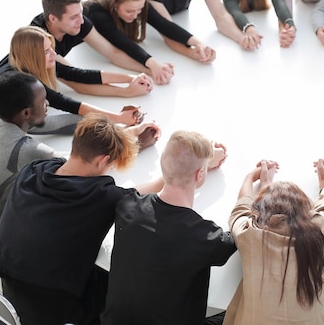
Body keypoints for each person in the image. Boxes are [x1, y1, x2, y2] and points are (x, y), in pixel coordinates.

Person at [0, 114, 164, 325]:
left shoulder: (35, 170)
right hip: (51, 307)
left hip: (8, 286)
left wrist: (126, 135)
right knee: (134, 292)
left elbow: (88, 153)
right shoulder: (101, 197)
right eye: (110, 165)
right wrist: (172, 176)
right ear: (103, 160)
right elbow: (137, 194)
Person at [101, 130, 236, 325]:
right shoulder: (204, 237)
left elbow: (133, 192)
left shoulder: (128, 207)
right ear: (200, 175)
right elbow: (241, 231)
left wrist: (197, 164)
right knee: (235, 312)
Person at [222, 158, 324, 325]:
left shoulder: (249, 234)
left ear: (260, 210)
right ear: (305, 209)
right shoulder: (319, 231)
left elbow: (241, 207)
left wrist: (252, 178)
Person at [0, 26, 147, 127]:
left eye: (51, 48)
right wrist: (118, 118)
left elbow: (76, 74)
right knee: (78, 123)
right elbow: (68, 104)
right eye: (47, 51)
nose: (53, 54)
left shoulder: (19, 58)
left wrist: (130, 78)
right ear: (33, 56)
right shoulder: (22, 82)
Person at [0, 72, 63, 262]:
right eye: (43, 102)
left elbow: (50, 124)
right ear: (26, 113)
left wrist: (111, 121)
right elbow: (82, 162)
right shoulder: (26, 150)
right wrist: (127, 139)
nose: (48, 105)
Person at [27, 0, 175, 85]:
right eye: (73, 17)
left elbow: (113, 53)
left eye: (80, 13)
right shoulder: (41, 42)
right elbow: (77, 79)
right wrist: (129, 85)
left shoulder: (80, 22)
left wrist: (151, 69)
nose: (81, 20)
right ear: (53, 19)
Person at [86, 0, 216, 66]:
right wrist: (153, 63)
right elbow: (123, 44)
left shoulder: (137, 3)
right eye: (130, 11)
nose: (136, 16)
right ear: (115, 5)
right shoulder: (98, 14)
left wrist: (199, 44)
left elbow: (163, 24)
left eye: (139, 10)